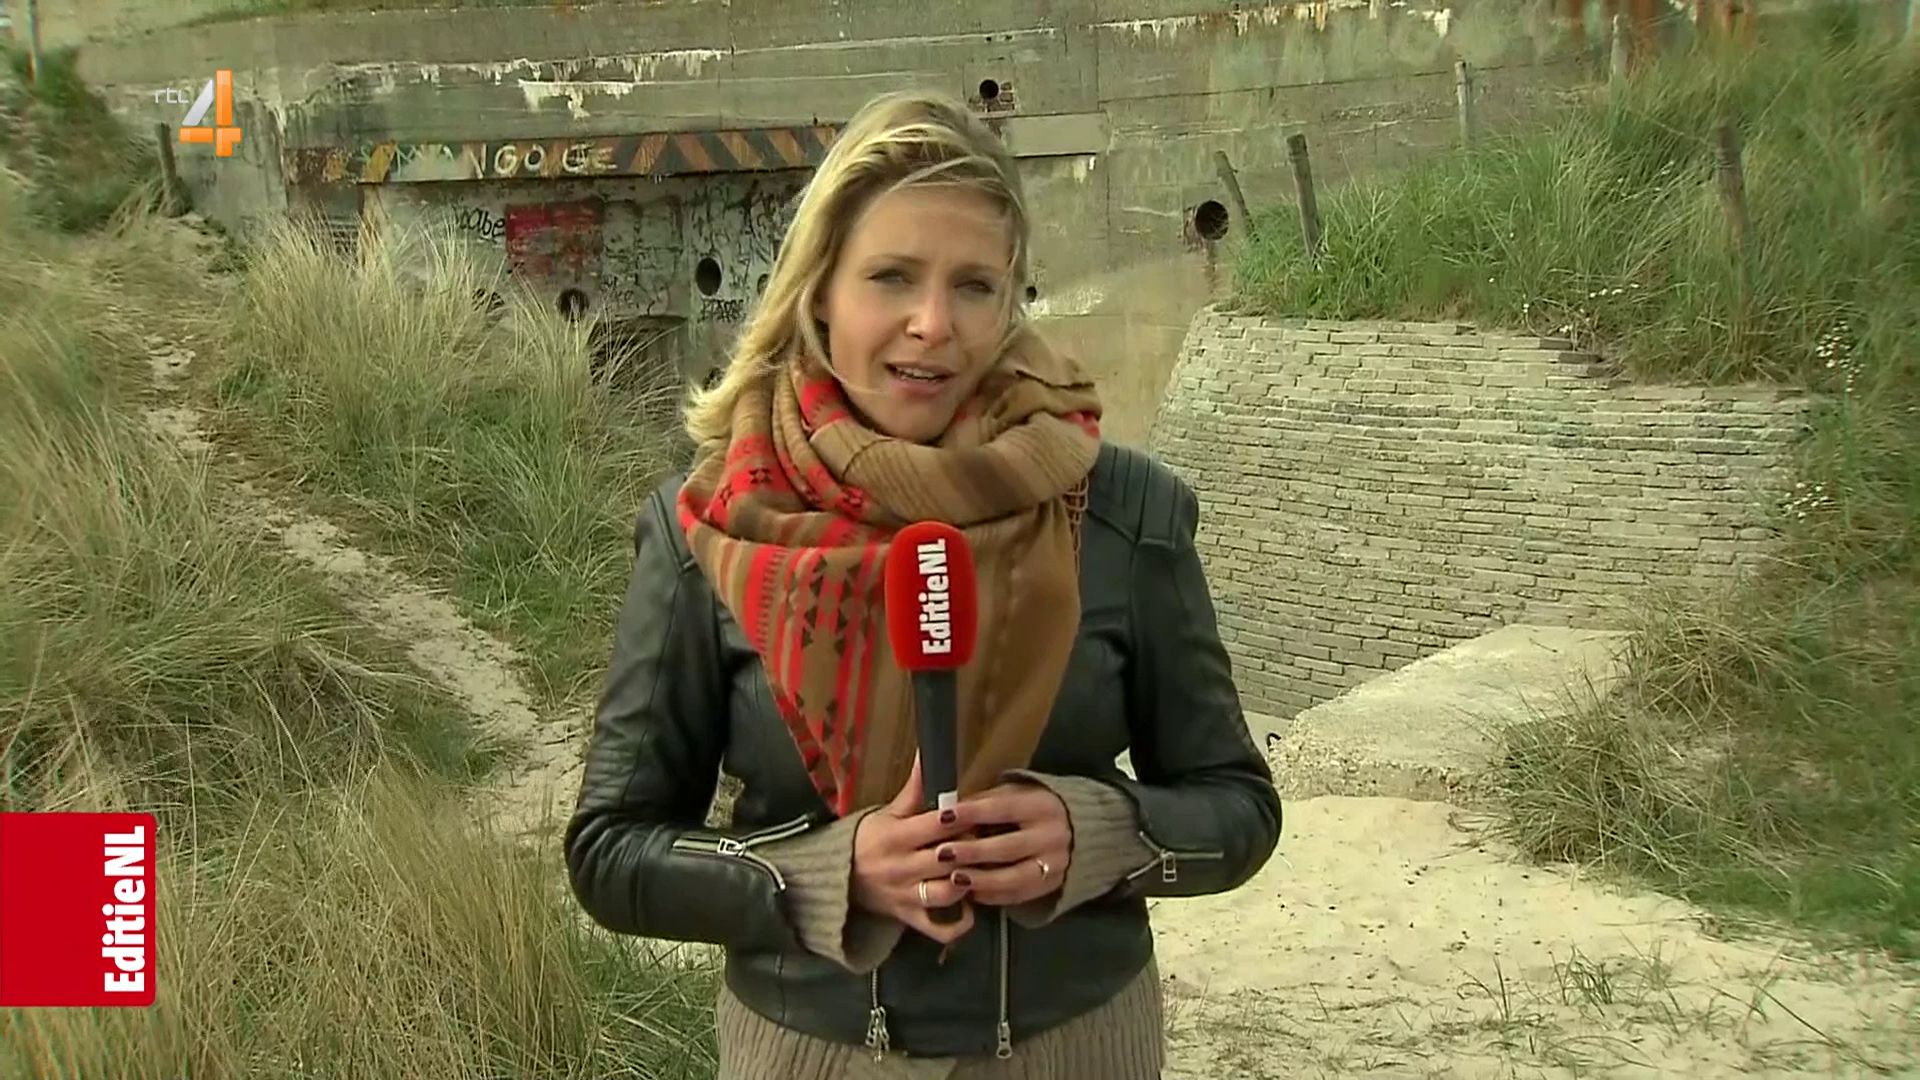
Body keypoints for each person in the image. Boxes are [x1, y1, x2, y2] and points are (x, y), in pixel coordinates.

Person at [564, 88, 1282, 1079]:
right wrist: (826, 872)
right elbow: (611, 854)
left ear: (1012, 299)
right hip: (807, 1058)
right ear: (820, 289)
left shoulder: (1125, 511)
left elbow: (1238, 809)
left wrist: (1101, 831)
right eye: (891, 277)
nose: (933, 324)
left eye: (974, 286)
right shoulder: (713, 525)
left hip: (1077, 1051)